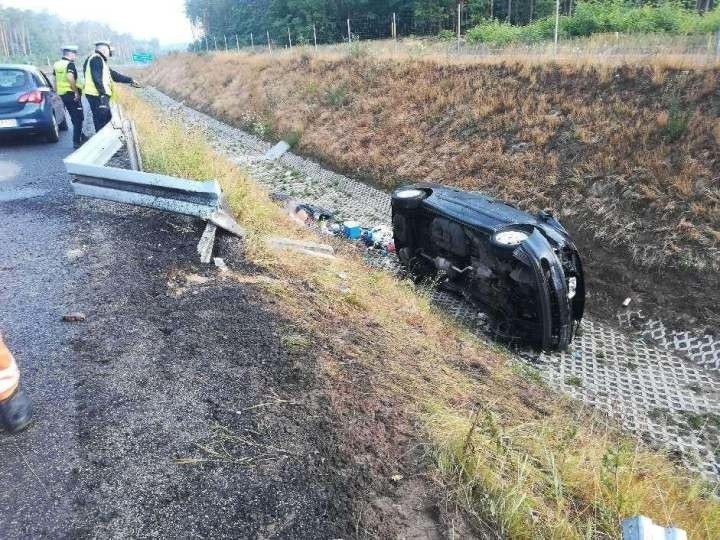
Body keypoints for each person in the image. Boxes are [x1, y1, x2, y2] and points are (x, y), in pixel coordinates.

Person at [83, 40, 140, 133]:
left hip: (95, 95)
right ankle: (102, 143)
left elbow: (114, 75)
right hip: (97, 96)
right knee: (101, 122)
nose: (109, 55)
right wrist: (102, 95)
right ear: (104, 50)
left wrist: (130, 80)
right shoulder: (96, 59)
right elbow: (96, 78)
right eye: (109, 52)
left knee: (103, 120)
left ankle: (103, 141)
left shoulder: (97, 60)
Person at [53, 45, 86, 149]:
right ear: (70, 54)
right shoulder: (70, 64)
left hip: (62, 95)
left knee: (73, 116)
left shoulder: (57, 64)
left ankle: (80, 135)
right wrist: (76, 92)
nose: (75, 56)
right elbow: (70, 77)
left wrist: (56, 93)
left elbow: (54, 80)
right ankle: (77, 141)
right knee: (78, 118)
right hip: (71, 94)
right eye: (74, 54)